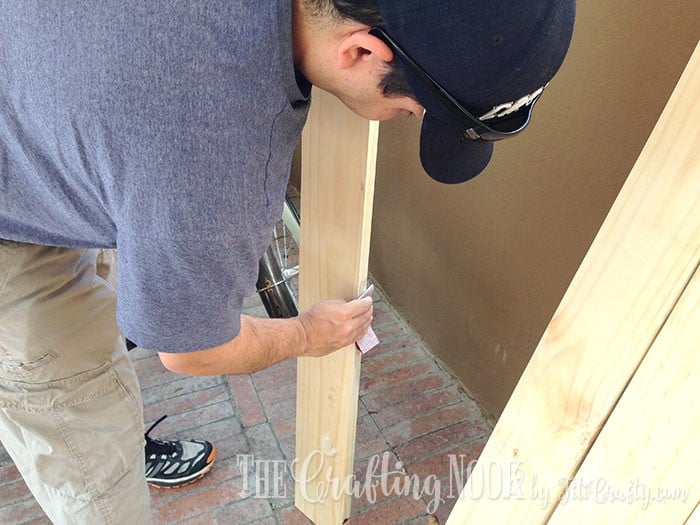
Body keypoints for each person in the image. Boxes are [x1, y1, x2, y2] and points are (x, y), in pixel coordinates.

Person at [0, 0, 575, 523]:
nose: (410, 118)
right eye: (413, 111)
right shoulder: (216, 152)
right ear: (360, 49)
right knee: (85, 440)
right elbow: (191, 350)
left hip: (32, 104)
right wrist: (308, 333)